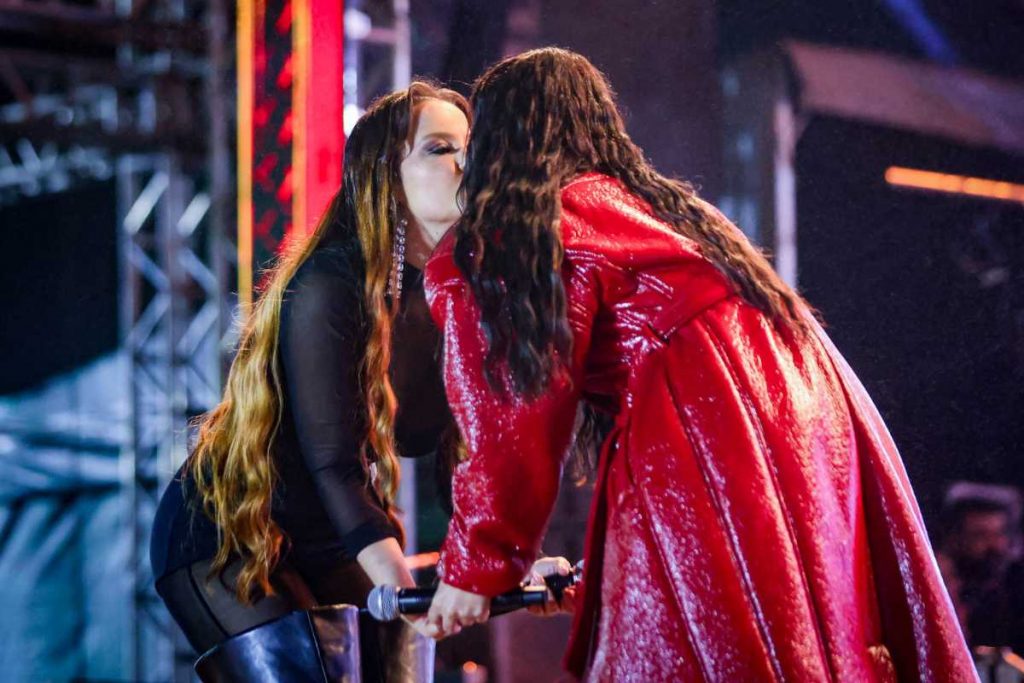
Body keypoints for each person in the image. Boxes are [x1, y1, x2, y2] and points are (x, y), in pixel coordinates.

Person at [422, 48, 978, 682]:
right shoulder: (670, 214)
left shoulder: (527, 228)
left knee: (688, 651)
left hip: (709, 421)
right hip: (810, 413)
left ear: (501, 140)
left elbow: (513, 404)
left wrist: (477, 566)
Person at [149, 82, 470, 681]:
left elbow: (459, 457)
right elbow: (334, 465)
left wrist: (497, 565)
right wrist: (407, 598)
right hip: (228, 531)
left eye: (469, 147)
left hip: (323, 536)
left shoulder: (450, 300)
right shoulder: (331, 283)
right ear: (385, 176)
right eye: (439, 148)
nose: (465, 163)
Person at [936, 484, 1024, 654]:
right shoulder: (942, 585)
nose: (996, 546)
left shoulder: (1013, 585)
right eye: (980, 535)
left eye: (1000, 534)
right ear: (953, 538)